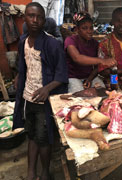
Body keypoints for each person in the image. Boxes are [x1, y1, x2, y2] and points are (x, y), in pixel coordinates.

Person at [12, 2, 68, 180]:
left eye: (39, 17)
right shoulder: (23, 41)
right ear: (25, 19)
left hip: (45, 100)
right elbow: (24, 66)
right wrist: (19, 77)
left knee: (44, 138)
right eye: (30, 16)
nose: (34, 20)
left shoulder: (52, 44)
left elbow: (62, 74)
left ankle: (45, 173)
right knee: (32, 135)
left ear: (44, 20)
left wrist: (47, 89)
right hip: (28, 97)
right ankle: (31, 172)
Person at [64, 12, 116, 93]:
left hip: (90, 76)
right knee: (79, 96)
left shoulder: (95, 43)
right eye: (84, 28)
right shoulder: (70, 40)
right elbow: (77, 58)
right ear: (77, 29)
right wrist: (102, 60)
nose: (89, 31)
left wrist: (89, 79)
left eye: (91, 28)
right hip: (73, 77)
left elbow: (96, 67)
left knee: (102, 92)